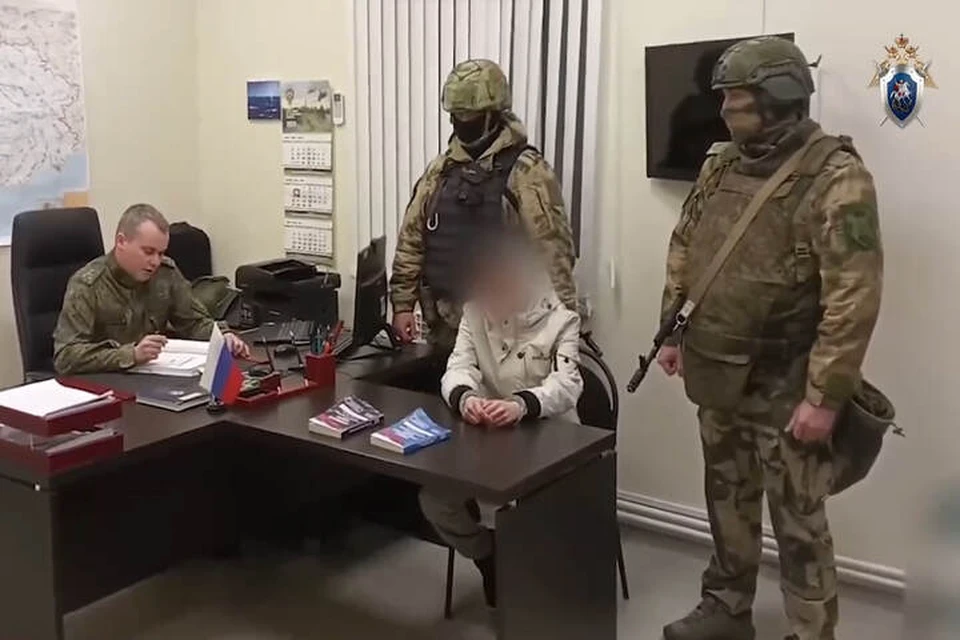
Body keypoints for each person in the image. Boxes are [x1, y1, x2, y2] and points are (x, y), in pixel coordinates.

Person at [658, 37, 883, 640]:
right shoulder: (720, 164)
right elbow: (686, 247)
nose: (725, 108)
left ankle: (811, 630)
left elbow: (854, 298)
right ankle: (727, 607)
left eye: (736, 96)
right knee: (726, 496)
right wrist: (672, 330)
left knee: (798, 520)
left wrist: (825, 396)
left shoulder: (837, 178)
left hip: (789, 383)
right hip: (719, 369)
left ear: (778, 96)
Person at [419, 231, 583, 609]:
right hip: (491, 440)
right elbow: (458, 367)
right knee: (435, 500)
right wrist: (465, 397)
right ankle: (488, 557)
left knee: (526, 512)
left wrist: (522, 405)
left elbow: (567, 385)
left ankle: (538, 581)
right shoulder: (474, 313)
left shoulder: (561, 320)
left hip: (550, 442)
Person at [390, 58, 577, 350]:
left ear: (492, 115)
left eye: (468, 116)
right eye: (456, 115)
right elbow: (412, 240)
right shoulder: (441, 170)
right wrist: (402, 305)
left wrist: (562, 330)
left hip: (509, 335)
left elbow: (554, 253)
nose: (460, 123)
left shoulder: (527, 172)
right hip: (446, 328)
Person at [53, 203, 249, 375]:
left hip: (155, 377)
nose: (155, 261)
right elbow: (66, 357)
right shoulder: (88, 285)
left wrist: (222, 336)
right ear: (121, 242)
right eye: (148, 252)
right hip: (107, 385)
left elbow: (193, 323)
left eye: (160, 253)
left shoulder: (165, 272)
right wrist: (131, 355)